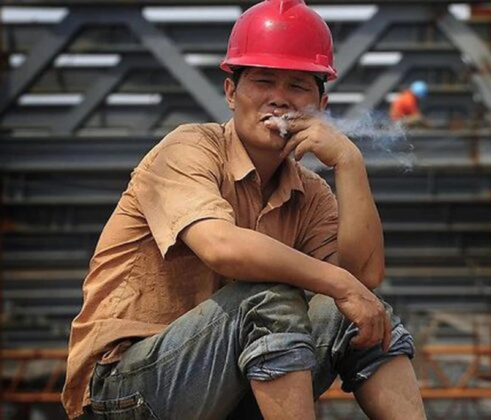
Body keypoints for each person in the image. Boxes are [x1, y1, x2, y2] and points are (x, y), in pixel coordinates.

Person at [61, 0, 426, 418]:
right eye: (263, 81)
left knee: (360, 316)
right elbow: (221, 246)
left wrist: (349, 163)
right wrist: (341, 285)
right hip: (124, 389)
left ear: (320, 106)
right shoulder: (187, 150)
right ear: (231, 92)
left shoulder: (310, 193)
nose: (279, 99)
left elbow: (363, 280)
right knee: (267, 300)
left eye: (297, 86)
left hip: (222, 389)